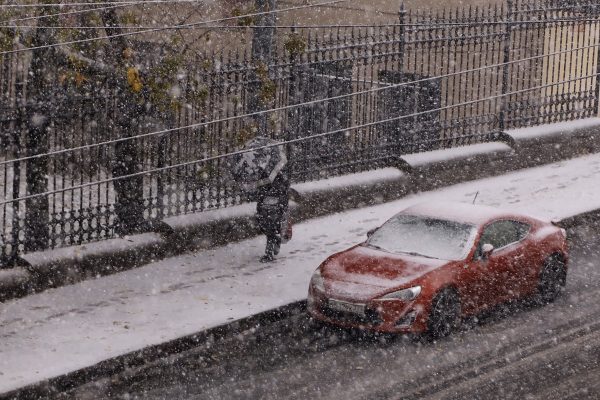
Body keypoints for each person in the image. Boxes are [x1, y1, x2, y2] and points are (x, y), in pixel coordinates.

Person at [252, 170, 290, 262]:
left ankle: (268, 254)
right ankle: (277, 240)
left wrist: (282, 207)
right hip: (264, 207)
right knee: (264, 228)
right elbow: (259, 191)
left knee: (270, 229)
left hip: (275, 208)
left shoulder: (280, 176)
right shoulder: (264, 174)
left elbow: (283, 193)